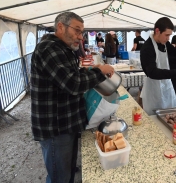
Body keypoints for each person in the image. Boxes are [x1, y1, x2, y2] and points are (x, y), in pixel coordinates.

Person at [30, 12, 114, 183]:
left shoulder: (63, 48)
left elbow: (69, 75)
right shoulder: (49, 49)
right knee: (60, 177)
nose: (80, 37)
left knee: (67, 171)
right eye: (77, 31)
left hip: (66, 122)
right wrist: (99, 71)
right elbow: (72, 83)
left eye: (81, 32)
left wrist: (91, 70)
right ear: (60, 26)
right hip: (56, 127)